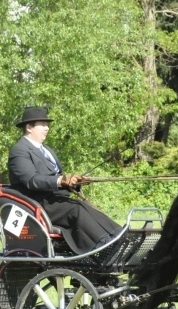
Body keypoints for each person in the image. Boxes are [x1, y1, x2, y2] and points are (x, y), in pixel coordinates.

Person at [7, 106, 121, 253]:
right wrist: (61, 180)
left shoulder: (47, 150)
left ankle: (118, 235)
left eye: (47, 125)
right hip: (38, 204)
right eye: (43, 125)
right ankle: (104, 246)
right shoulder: (19, 150)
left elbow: (58, 177)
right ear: (29, 127)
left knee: (86, 206)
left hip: (55, 200)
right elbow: (32, 180)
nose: (47, 128)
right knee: (76, 209)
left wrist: (74, 182)